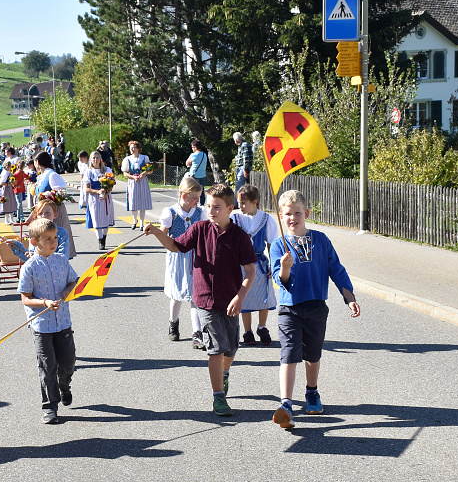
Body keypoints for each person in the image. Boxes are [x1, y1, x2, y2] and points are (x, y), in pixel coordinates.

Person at [144, 184, 256, 417]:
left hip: (230, 301)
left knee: (231, 347)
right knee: (215, 348)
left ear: (229, 208)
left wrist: (240, 297)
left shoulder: (240, 237)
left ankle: (224, 374)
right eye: (208, 206)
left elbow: (250, 272)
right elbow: (176, 246)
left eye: (216, 207)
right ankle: (218, 398)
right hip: (204, 300)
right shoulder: (199, 228)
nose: (211, 211)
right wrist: (157, 232)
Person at [269, 190, 360, 429]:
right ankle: (286, 403)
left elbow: (336, 269)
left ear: (306, 213)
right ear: (281, 215)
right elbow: (280, 281)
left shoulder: (321, 240)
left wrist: (348, 297)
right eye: (287, 213)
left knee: (313, 354)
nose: (292, 218)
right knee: (289, 354)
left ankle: (312, 392)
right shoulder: (279, 245)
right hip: (290, 309)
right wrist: (285, 268)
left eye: (297, 212)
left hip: (317, 306)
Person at [18, 218, 79, 424]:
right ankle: (50, 406)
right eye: (47, 239)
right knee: (47, 365)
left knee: (68, 361)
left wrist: (68, 290)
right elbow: (25, 298)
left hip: (63, 322)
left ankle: (64, 386)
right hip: (41, 325)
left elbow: (73, 280)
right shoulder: (29, 267)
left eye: (54, 238)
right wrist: (44, 302)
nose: (53, 242)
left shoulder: (62, 260)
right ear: (34, 242)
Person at [159, 176, 207, 347]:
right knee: (177, 294)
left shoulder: (200, 213)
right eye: (194, 196)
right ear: (183, 194)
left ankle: (197, 333)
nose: (197, 200)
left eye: (199, 196)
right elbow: (163, 235)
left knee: (195, 296)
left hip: (195, 256)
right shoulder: (170, 212)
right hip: (177, 257)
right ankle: (173, 323)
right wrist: (165, 237)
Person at [231, 184, 278, 346]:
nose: (240, 206)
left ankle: (262, 327)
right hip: (242, 265)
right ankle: (247, 331)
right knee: (245, 297)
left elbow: (272, 244)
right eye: (239, 202)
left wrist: (274, 264)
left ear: (255, 202)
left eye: (244, 202)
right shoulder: (235, 218)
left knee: (263, 296)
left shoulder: (266, 219)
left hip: (260, 263)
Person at [33, 151, 76, 257]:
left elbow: (61, 192)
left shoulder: (52, 175)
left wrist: (48, 195)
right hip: (43, 212)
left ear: (37, 162)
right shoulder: (40, 176)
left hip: (54, 212)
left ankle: (61, 263)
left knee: (56, 237)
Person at [82, 150, 115, 249]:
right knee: (96, 219)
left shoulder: (107, 170)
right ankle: (100, 241)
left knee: (106, 219)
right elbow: (87, 189)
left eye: (97, 157)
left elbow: (111, 185)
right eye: (93, 158)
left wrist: (106, 193)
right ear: (91, 160)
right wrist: (97, 192)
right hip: (94, 199)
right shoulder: (88, 172)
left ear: (100, 159)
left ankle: (104, 238)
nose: (95, 160)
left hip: (106, 198)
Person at [121, 140, 153, 229]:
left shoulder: (144, 158)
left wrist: (145, 173)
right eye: (130, 148)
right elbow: (125, 173)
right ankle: (135, 220)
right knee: (133, 202)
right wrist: (133, 177)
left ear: (138, 149)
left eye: (133, 147)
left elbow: (150, 170)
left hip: (143, 182)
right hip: (132, 182)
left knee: (142, 203)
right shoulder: (127, 159)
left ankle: (142, 223)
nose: (131, 149)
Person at [185, 139, 209, 205]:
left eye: (192, 147)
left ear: (195, 147)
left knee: (192, 190)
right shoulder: (204, 154)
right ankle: (202, 204)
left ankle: (192, 202)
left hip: (194, 175)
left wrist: (190, 165)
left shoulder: (193, 155)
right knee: (201, 190)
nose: (192, 149)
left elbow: (187, 163)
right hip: (202, 175)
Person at [233, 132, 253, 209]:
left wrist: (245, 170)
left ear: (236, 140)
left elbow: (246, 159)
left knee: (239, 186)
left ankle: (236, 204)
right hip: (242, 168)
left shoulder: (244, 146)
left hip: (242, 168)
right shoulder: (244, 145)